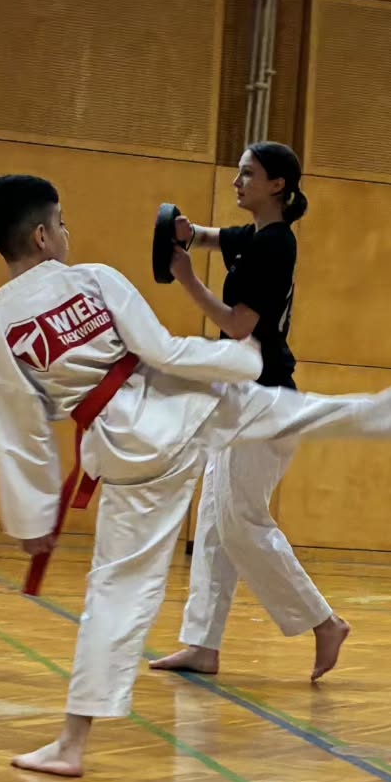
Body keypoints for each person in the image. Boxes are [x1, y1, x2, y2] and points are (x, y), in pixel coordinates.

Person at [0, 174, 391, 778]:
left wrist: (32, 519)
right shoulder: (96, 279)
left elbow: (19, 429)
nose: (69, 232)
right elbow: (161, 349)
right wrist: (240, 359)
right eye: (64, 222)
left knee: (118, 592)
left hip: (133, 455)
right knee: (294, 410)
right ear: (44, 235)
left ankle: (72, 744)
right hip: (187, 405)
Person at [148, 143, 350, 684]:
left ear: (278, 185)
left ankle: (324, 621)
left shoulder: (277, 245)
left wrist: (187, 277)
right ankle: (202, 644)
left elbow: (239, 326)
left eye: (248, 174)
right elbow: (215, 237)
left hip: (266, 401)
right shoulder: (255, 236)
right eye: (237, 172)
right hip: (236, 397)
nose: (237, 181)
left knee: (241, 521)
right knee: (214, 520)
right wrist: (189, 233)